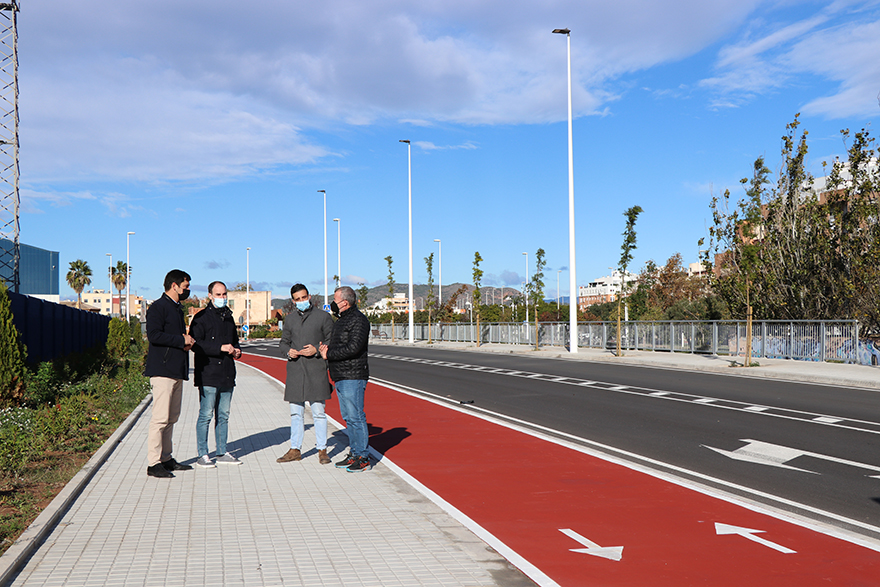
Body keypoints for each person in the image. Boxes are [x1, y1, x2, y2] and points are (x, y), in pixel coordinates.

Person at [144, 269, 194, 478]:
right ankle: (153, 463)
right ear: (174, 286)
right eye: (185, 286)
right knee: (160, 418)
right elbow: (154, 335)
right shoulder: (158, 307)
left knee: (172, 417)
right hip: (162, 371)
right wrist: (182, 340)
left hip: (176, 370)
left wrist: (186, 344)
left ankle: (166, 458)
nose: (188, 290)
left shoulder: (176, 309)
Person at [277, 284, 335, 464]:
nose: (302, 301)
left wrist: (316, 350)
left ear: (309, 296)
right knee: (296, 413)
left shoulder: (323, 317)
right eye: (298, 299)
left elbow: (331, 340)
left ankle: (322, 450)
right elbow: (283, 343)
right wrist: (289, 352)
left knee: (319, 412)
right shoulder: (290, 319)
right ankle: (295, 449)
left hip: (316, 370)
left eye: (304, 297)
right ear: (293, 301)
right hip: (295, 371)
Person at [190, 281, 243, 468]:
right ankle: (202, 454)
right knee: (205, 415)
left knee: (224, 415)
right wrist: (220, 348)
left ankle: (222, 451)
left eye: (224, 294)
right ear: (210, 296)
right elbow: (195, 344)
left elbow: (236, 341)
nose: (222, 298)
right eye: (218, 294)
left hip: (227, 374)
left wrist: (237, 350)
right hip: (208, 373)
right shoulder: (201, 318)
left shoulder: (229, 317)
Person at [319, 285, 371, 473]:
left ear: (345, 302)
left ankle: (363, 457)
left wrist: (329, 354)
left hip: (353, 374)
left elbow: (354, 348)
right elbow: (339, 343)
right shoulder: (342, 320)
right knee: (348, 417)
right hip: (340, 374)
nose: (333, 303)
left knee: (356, 416)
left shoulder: (359, 320)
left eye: (335, 300)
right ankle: (355, 452)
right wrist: (326, 348)